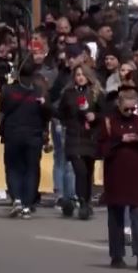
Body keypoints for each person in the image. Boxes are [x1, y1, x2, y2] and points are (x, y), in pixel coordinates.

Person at [99, 87, 138, 270]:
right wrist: (120, 139)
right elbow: (101, 148)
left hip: (137, 174)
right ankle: (116, 255)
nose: (130, 112)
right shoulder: (109, 122)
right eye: (127, 109)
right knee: (116, 215)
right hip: (116, 174)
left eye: (133, 108)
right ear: (119, 104)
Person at [0, 60, 52, 219]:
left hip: (13, 133)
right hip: (33, 134)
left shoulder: (8, 90)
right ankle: (27, 204)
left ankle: (16, 199)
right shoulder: (39, 92)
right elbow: (47, 114)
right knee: (31, 170)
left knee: (14, 168)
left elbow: (2, 107)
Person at [57, 65, 103, 220]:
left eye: (83, 74)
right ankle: (81, 201)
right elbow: (61, 112)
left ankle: (86, 201)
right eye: (77, 75)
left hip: (90, 138)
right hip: (74, 137)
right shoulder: (68, 94)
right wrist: (67, 123)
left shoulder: (96, 93)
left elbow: (104, 114)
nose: (80, 77)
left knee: (88, 172)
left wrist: (94, 117)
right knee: (80, 171)